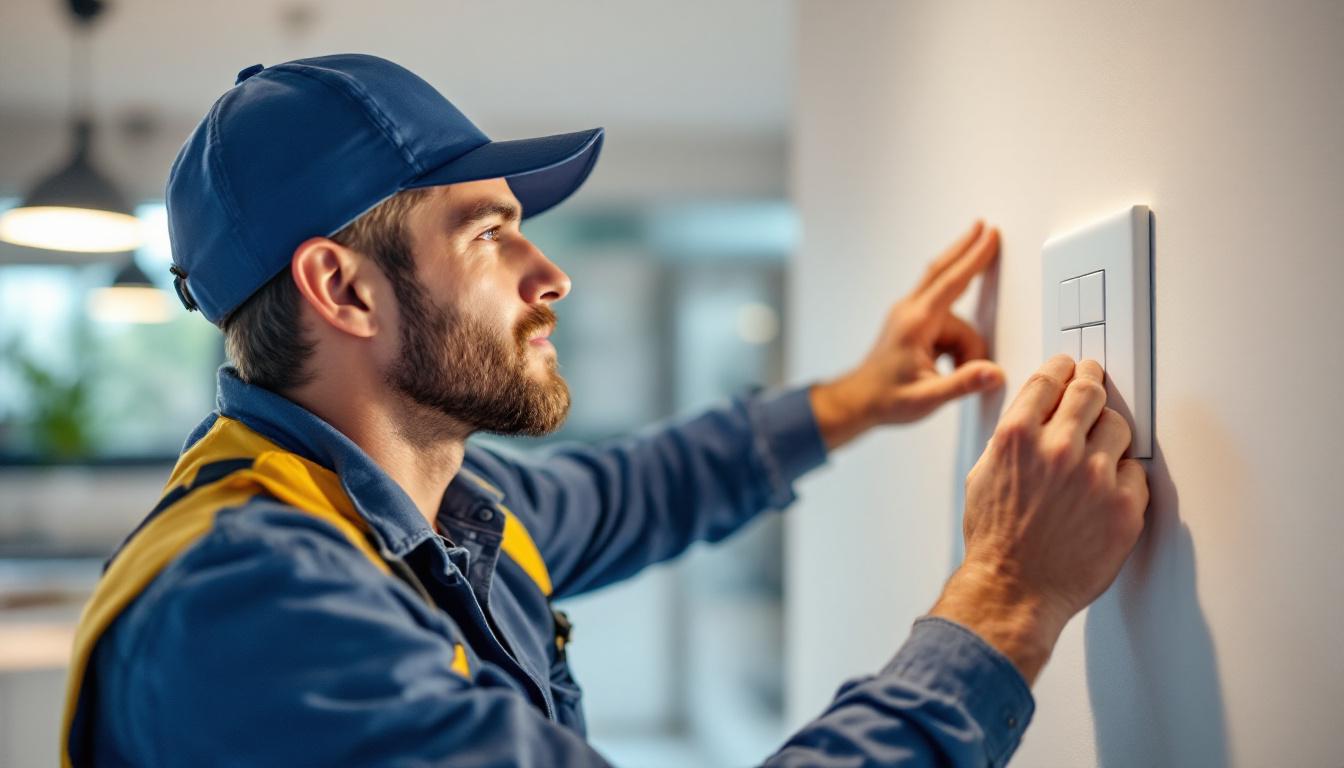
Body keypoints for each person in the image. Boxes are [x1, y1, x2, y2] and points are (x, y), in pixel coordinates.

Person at [60, 53, 1148, 767]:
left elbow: (642, 489)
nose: (550, 274)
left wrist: (853, 400)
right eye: (488, 233)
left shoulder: (434, 506)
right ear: (343, 289)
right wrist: (1005, 600)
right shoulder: (255, 609)